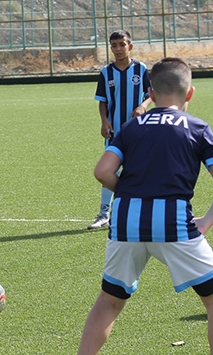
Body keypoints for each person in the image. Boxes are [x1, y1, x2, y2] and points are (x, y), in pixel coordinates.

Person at [77, 57, 213, 355]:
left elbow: (102, 172)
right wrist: (207, 220)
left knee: (109, 301)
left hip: (126, 222)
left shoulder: (131, 127)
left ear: (150, 93)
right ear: (189, 93)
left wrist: (129, 191)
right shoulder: (198, 128)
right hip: (173, 223)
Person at [89, 29, 152, 230]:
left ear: (130, 46)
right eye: (114, 45)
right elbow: (102, 100)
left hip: (137, 131)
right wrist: (104, 121)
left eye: (121, 44)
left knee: (136, 171)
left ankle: (130, 214)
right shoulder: (106, 72)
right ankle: (103, 214)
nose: (118, 49)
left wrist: (143, 106)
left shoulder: (141, 69)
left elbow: (151, 94)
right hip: (114, 132)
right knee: (110, 170)